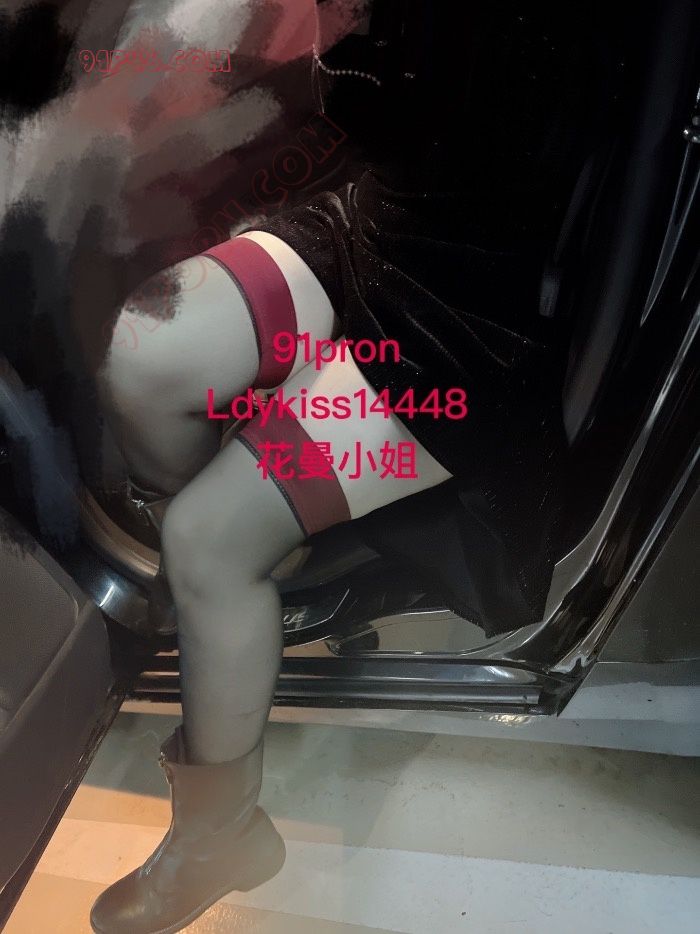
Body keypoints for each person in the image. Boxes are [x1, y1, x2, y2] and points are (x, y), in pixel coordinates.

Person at [90, 2, 633, 930]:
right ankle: (261, 569)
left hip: (459, 330)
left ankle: (223, 833)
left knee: (207, 541)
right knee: (141, 350)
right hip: (382, 232)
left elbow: (371, 97)